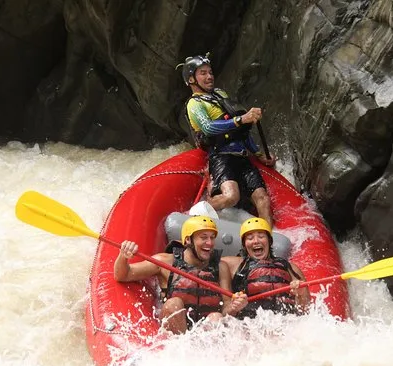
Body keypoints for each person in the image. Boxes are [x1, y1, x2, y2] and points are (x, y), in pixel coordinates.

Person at [179, 53, 277, 227]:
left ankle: (266, 238)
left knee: (263, 198)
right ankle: (194, 214)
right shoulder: (194, 104)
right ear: (191, 79)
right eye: (203, 73)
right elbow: (208, 128)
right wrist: (241, 119)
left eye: (210, 72)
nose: (209, 76)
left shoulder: (220, 94)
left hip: (242, 156)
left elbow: (241, 131)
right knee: (231, 196)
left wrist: (258, 154)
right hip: (221, 156)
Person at [114, 215, 248, 334]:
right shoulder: (165, 262)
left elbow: (225, 309)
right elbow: (123, 275)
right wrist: (123, 256)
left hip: (205, 335)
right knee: (174, 304)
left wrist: (234, 307)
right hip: (175, 334)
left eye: (212, 238)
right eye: (203, 238)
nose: (210, 243)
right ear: (188, 240)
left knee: (216, 317)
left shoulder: (220, 267)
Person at [223, 217, 310, 319]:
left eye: (261, 236)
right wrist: (234, 307)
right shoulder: (233, 264)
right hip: (251, 323)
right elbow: (225, 311)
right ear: (244, 245)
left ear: (269, 241)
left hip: (286, 322)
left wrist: (301, 294)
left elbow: (306, 311)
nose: (256, 241)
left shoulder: (291, 268)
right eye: (250, 238)